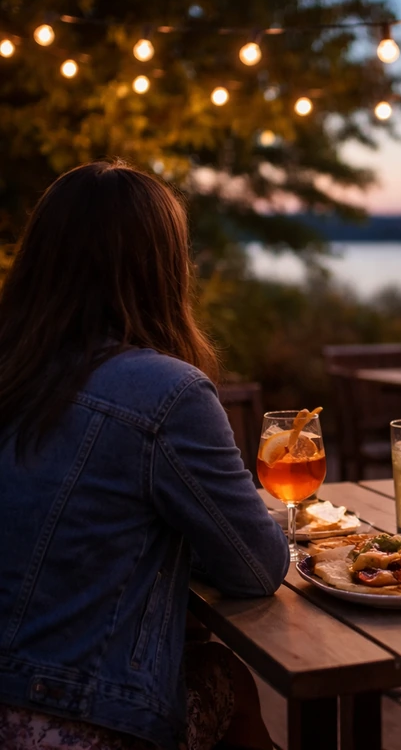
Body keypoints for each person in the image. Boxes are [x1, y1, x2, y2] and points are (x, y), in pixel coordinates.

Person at [0, 161, 290, 750]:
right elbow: (258, 567)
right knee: (223, 678)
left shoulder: (14, 374)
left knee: (216, 673)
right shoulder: (166, 394)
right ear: (160, 268)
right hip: (64, 714)